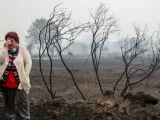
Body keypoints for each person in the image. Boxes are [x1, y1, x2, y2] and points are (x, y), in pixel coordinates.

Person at [0, 32, 32, 120]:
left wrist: (25, 76)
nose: (9, 42)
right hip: (6, 83)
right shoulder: (3, 50)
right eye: (8, 40)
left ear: (17, 41)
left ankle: (25, 118)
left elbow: (28, 63)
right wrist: (4, 48)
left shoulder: (22, 49)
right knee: (9, 105)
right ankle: (10, 118)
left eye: (12, 40)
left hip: (20, 83)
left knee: (23, 104)